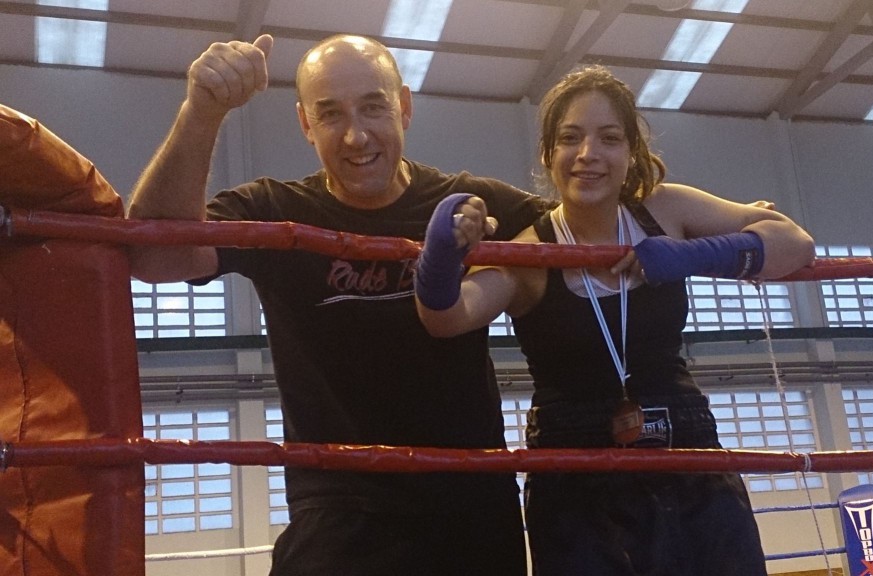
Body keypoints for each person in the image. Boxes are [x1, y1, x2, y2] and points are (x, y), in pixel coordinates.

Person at [126, 33, 554, 576]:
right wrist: (202, 112)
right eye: (330, 115)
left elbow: (592, 230)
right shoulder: (277, 211)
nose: (356, 135)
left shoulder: (471, 202)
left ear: (403, 106)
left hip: (469, 499)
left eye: (373, 107)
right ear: (306, 124)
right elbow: (151, 257)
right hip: (338, 507)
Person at [415, 65, 816, 575]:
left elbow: (794, 243)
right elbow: (446, 317)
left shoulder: (665, 210)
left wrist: (692, 255)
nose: (589, 155)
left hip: (684, 442)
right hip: (574, 465)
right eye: (570, 138)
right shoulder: (530, 256)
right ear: (548, 155)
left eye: (609, 138)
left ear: (630, 155)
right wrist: (442, 254)